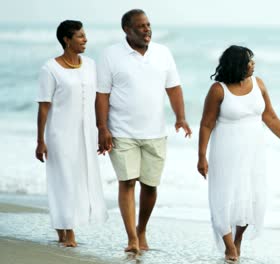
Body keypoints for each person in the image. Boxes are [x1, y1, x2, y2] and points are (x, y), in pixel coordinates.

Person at [95, 9, 192, 254]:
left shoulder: (163, 53)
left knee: (150, 186)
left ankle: (142, 228)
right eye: (140, 26)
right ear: (127, 30)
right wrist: (102, 127)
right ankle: (131, 238)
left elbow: (174, 88)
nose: (147, 29)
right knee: (127, 182)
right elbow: (102, 95)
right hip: (121, 131)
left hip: (155, 132)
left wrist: (180, 117)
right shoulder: (110, 55)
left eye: (148, 24)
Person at [197, 45, 280, 262]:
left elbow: (271, 117)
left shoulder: (258, 84)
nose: (253, 64)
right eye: (249, 61)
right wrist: (201, 156)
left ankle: (237, 240)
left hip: (254, 152)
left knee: (251, 198)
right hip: (226, 152)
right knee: (225, 197)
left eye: (252, 60)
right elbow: (206, 124)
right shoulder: (218, 90)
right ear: (237, 65)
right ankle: (229, 246)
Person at [35, 20, 108, 247]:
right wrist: (40, 140)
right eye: (80, 36)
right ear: (67, 40)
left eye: (85, 35)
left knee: (79, 180)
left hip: (85, 134)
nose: (85, 39)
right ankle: (69, 232)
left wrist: (102, 129)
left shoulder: (91, 65)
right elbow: (44, 106)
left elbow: (99, 99)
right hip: (60, 134)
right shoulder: (50, 69)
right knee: (63, 180)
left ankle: (63, 228)